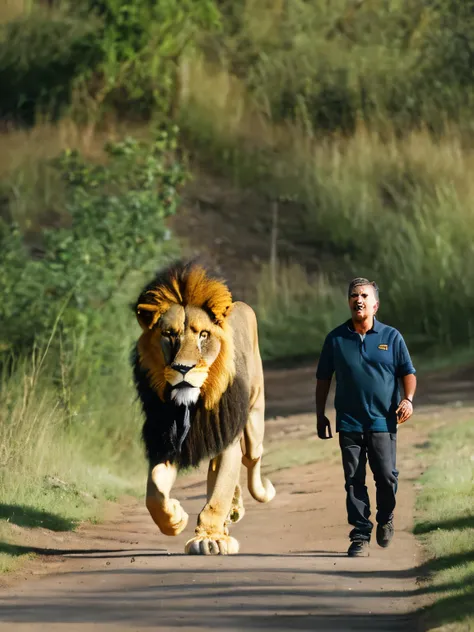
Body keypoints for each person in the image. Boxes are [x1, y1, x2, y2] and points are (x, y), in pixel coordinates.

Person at [315, 278, 416, 557]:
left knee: (386, 476)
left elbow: (408, 373)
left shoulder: (391, 337)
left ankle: (385, 517)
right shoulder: (335, 339)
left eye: (363, 296)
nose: (358, 299)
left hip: (383, 420)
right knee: (353, 479)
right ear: (349, 302)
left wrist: (407, 400)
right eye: (353, 295)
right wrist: (320, 415)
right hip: (349, 421)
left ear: (375, 304)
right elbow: (323, 378)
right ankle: (360, 534)